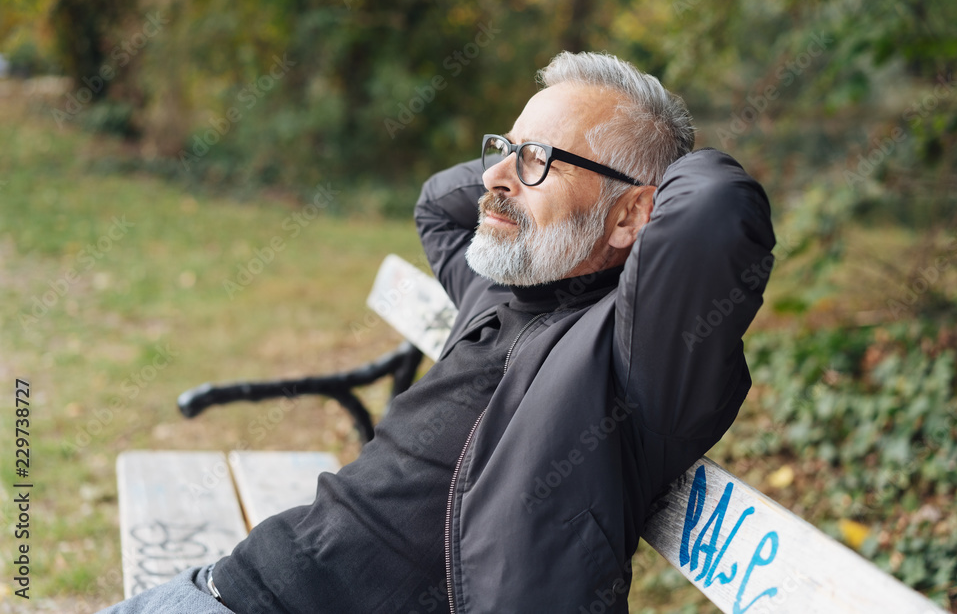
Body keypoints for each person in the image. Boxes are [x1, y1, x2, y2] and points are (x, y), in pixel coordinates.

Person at [100, 51, 774, 614]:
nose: (493, 175)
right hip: (236, 580)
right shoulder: (501, 284)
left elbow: (712, 210)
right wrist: (534, 158)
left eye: (538, 159)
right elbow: (439, 205)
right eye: (502, 148)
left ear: (634, 216)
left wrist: (642, 173)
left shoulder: (634, 358)